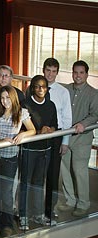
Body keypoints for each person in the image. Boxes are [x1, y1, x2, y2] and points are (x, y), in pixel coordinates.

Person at [0, 86, 35, 237]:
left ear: (13, 98)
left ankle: (7, 224)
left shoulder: (21, 113)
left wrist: (23, 134)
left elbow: (33, 130)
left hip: (10, 158)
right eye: (2, 98)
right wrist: (1, 140)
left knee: (7, 193)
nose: (5, 101)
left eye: (8, 97)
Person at [58, 60, 98, 217]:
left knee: (79, 170)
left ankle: (83, 203)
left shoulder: (94, 93)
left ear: (86, 74)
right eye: (75, 72)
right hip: (65, 136)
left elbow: (95, 114)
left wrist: (84, 123)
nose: (78, 75)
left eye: (81, 73)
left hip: (83, 138)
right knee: (65, 168)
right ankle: (70, 201)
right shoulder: (65, 90)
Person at [19, 75, 57, 230]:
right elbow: (21, 129)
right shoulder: (25, 105)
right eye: (37, 86)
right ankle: (23, 215)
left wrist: (50, 129)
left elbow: (55, 125)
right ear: (32, 88)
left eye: (43, 86)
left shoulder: (51, 105)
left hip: (45, 149)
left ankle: (38, 213)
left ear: (47, 89)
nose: (41, 89)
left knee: (39, 183)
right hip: (29, 149)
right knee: (26, 183)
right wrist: (39, 131)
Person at [41, 58, 72, 220]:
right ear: (43, 70)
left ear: (57, 73)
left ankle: (49, 210)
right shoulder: (34, 88)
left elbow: (67, 119)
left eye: (54, 71)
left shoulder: (62, 92)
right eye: (48, 70)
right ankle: (33, 210)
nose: (50, 74)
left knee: (53, 176)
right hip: (37, 136)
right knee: (35, 176)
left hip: (56, 137)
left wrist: (65, 142)